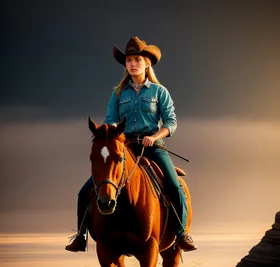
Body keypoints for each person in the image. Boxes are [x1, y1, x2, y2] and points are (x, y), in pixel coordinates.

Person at [65, 36, 197, 252]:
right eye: (129, 60)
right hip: (123, 148)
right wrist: (114, 134)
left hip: (153, 147)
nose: (133, 64)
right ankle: (81, 235)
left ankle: (181, 234)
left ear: (147, 63)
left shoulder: (159, 92)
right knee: (85, 191)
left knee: (174, 186)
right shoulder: (117, 93)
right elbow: (110, 122)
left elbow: (171, 122)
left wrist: (154, 136)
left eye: (137, 59)